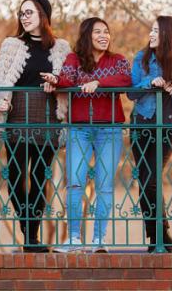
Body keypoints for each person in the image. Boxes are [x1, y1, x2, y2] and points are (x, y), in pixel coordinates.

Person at [43, 17, 132, 253]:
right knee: (74, 183)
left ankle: (98, 240)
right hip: (79, 128)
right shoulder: (74, 59)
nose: (104, 36)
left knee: (104, 185)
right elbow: (66, 79)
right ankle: (73, 238)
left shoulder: (118, 60)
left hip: (109, 129)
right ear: (86, 36)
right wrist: (55, 80)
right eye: (97, 32)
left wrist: (98, 82)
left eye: (106, 31)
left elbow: (126, 80)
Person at [0, 0, 71, 253]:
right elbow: (2, 80)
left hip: (47, 118)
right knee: (15, 176)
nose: (24, 17)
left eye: (29, 12)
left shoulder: (61, 47)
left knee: (39, 177)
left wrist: (56, 82)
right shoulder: (11, 45)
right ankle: (28, 227)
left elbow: (68, 81)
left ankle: (32, 237)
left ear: (43, 15)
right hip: (17, 116)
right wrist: (1, 105)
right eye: (21, 13)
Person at [129, 15, 172, 253]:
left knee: (152, 180)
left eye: (156, 30)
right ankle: (158, 238)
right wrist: (151, 82)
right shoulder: (142, 58)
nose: (150, 34)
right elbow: (131, 93)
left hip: (169, 127)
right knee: (145, 181)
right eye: (151, 29)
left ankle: (160, 236)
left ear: (168, 34)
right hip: (141, 125)